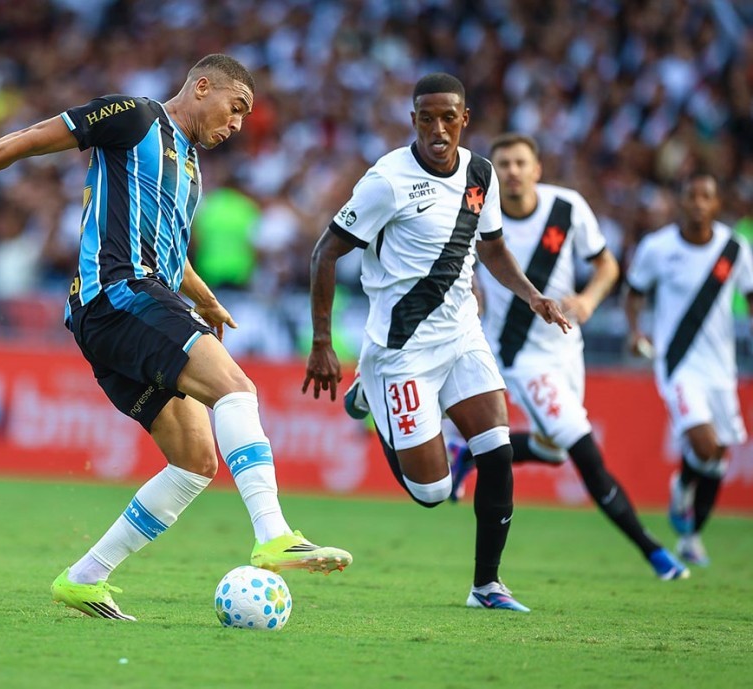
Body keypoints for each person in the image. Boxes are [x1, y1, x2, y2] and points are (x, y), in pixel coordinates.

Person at [0, 54, 351, 621]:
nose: (237, 125)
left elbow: (169, 247)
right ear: (202, 86)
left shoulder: (190, 168)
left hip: (123, 305)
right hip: (118, 293)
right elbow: (36, 137)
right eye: (236, 108)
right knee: (236, 389)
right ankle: (274, 535)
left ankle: (84, 580)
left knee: (195, 462)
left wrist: (205, 296)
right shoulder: (136, 117)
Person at [304, 73, 570, 613]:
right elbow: (325, 253)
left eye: (449, 117)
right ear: (414, 121)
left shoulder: (481, 174)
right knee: (432, 493)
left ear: (464, 119)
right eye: (427, 118)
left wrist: (533, 295)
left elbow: (492, 249)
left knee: (495, 454)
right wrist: (322, 342)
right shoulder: (387, 181)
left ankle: (487, 586)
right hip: (399, 351)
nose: (438, 129)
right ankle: (372, 397)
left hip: (462, 336)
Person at [449, 133, 689, 580]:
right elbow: (463, 268)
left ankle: (468, 453)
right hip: (521, 358)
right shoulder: (479, 216)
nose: (513, 171)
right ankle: (653, 551)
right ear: (492, 174)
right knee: (583, 452)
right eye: (503, 164)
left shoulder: (568, 208)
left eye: (521, 163)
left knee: (551, 450)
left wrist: (590, 300)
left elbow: (607, 265)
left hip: (567, 350)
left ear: (537, 169)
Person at [625, 172, 753, 568]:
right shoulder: (657, 247)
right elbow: (634, 291)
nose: (698, 202)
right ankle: (681, 487)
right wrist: (635, 331)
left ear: (717, 204)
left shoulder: (734, 248)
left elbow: (749, 296)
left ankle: (692, 534)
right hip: (677, 364)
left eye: (706, 196)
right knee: (702, 445)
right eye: (691, 196)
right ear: (680, 202)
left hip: (720, 367)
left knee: (717, 455)